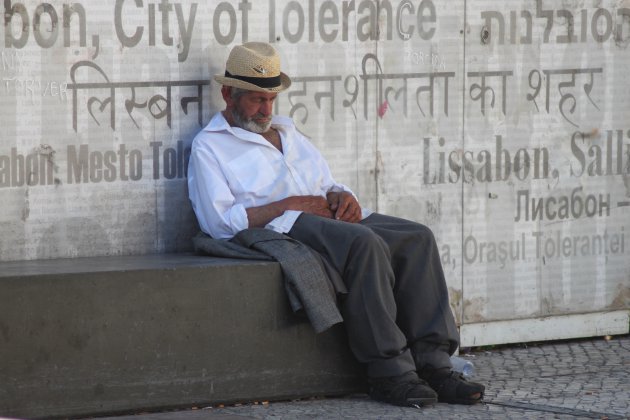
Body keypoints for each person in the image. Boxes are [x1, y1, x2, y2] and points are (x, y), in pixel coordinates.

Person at [187, 42, 485, 408]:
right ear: (228, 93)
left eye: (271, 99)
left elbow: (326, 181)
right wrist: (289, 204)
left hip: (325, 214)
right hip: (286, 224)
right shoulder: (211, 146)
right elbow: (218, 223)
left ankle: (434, 363)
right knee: (363, 244)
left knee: (417, 238)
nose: (266, 110)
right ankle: (389, 372)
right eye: (255, 100)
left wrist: (343, 195)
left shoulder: (288, 132)